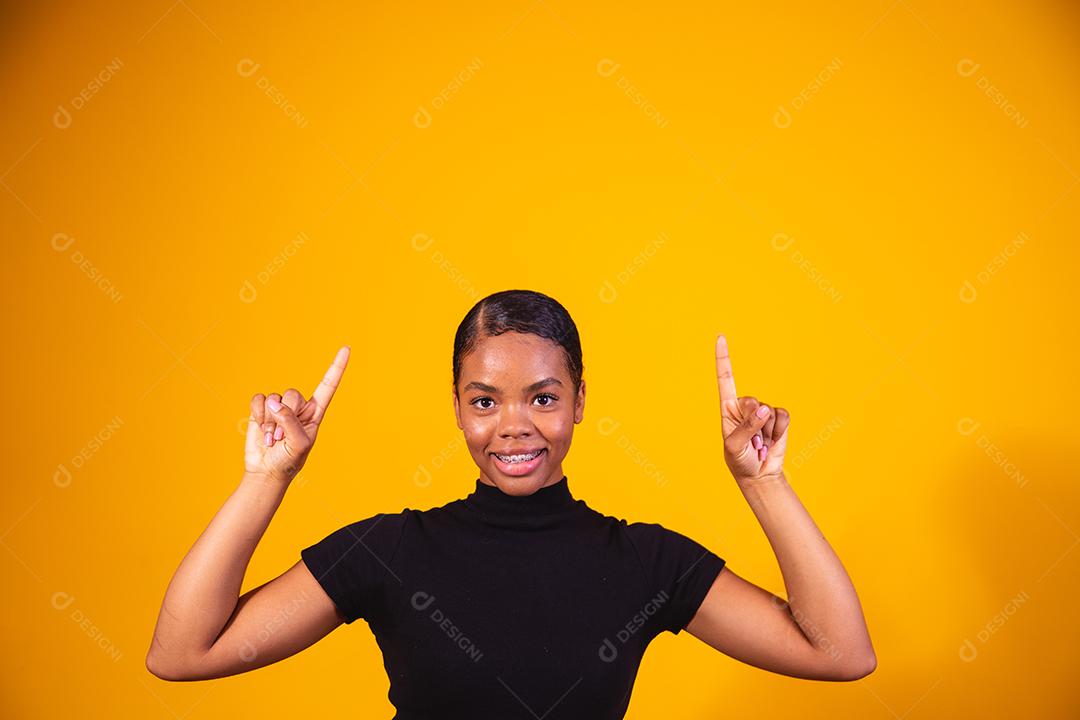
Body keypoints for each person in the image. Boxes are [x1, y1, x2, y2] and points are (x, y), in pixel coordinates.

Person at [145, 289, 876, 718]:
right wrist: (267, 478)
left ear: (580, 402)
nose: (514, 425)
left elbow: (840, 654)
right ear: (459, 409)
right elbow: (183, 653)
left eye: (544, 397)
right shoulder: (392, 553)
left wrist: (763, 484)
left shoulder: (646, 563)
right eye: (485, 400)